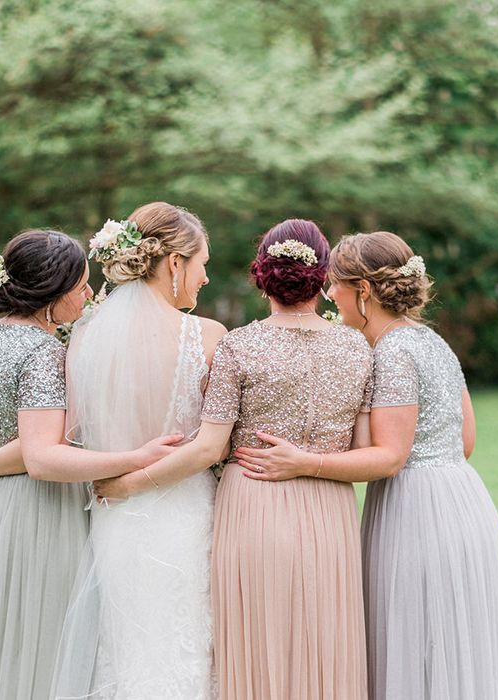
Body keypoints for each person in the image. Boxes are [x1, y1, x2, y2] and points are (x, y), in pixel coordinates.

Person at [236, 231, 498, 699]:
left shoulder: (391, 352)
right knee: (451, 649)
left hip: (417, 514)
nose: (329, 294)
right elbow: (465, 440)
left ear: (363, 292)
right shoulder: (433, 341)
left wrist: (304, 461)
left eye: (336, 285)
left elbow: (390, 457)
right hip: (463, 500)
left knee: (416, 642)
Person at [96, 219, 373, 700]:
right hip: (330, 508)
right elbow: (367, 450)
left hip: (251, 504)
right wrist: (312, 458)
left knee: (255, 642)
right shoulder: (357, 347)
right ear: (323, 278)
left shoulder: (238, 346)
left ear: (261, 275)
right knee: (324, 638)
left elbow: (209, 448)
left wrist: (127, 484)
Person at [0, 229, 181, 700]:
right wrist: (138, 456)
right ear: (52, 292)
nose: (90, 294)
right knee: (47, 645)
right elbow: (42, 455)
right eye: (81, 285)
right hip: (39, 513)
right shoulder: (43, 353)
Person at [51, 203, 227, 700]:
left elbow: (74, 436)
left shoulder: (83, 337)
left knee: (128, 652)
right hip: (188, 516)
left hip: (116, 515)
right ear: (174, 263)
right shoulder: (208, 337)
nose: (206, 277)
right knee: (186, 648)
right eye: (202, 263)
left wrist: (121, 479)